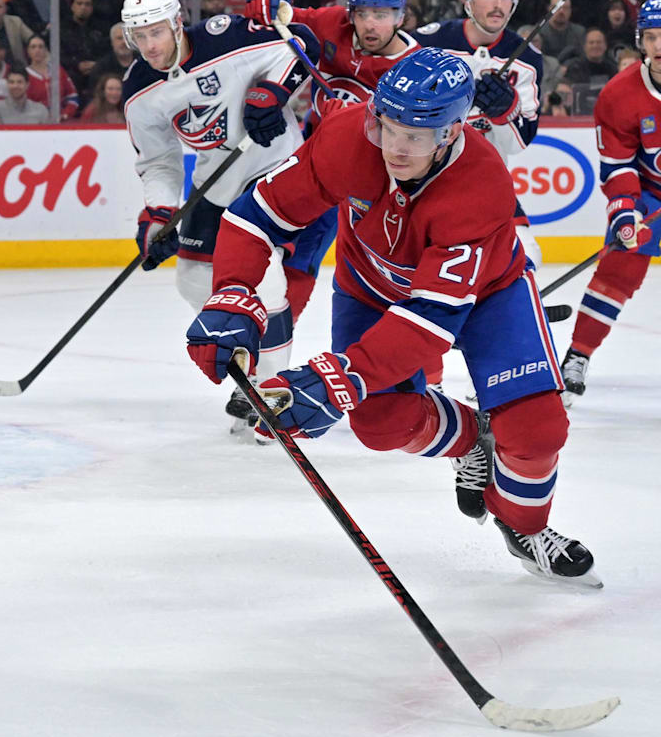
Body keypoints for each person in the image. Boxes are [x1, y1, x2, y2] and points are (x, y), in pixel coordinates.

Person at [185, 47, 599, 587]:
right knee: (381, 424)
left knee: (538, 430)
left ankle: (524, 525)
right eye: (388, 127)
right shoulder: (347, 138)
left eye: (416, 136)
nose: (395, 149)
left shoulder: (480, 186)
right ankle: (474, 439)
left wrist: (342, 377)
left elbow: (430, 321)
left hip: (488, 297)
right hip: (370, 291)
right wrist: (233, 291)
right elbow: (255, 216)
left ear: (451, 132)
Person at [122, 0, 326, 435]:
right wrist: (158, 215)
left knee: (265, 279)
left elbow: (302, 43)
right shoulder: (139, 89)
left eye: (157, 32)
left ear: (177, 22)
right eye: (139, 37)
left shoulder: (224, 36)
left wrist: (273, 92)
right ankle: (253, 364)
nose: (150, 45)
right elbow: (157, 160)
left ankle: (273, 395)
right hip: (215, 185)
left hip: (274, 170)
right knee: (194, 279)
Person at [243, 0, 419, 330]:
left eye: (382, 15)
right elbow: (275, 15)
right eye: (362, 13)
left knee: (382, 281)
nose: (370, 25)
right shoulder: (330, 25)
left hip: (370, 187)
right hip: (312, 164)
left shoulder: (413, 68)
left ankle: (419, 369)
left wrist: (357, 123)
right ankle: (267, 349)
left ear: (401, 16)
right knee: (273, 253)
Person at [558, 0, 661, 407]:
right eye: (651, 38)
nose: (659, 47)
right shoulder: (620, 94)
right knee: (616, 272)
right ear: (640, 42)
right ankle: (577, 356)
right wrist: (625, 211)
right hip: (650, 195)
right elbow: (618, 166)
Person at [413, 0, 545, 271]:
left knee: (527, 257)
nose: (498, 4)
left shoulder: (527, 59)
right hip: (426, 182)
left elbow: (517, 144)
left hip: (487, 182)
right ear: (467, 0)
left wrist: (505, 111)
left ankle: (516, 309)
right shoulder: (429, 43)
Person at [22, 34, 78, 118]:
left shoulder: (58, 70)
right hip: (36, 124)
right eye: (33, 47)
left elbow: (72, 96)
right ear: (28, 51)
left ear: (46, 50)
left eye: (41, 47)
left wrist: (66, 114)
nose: (37, 50)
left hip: (61, 122)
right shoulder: (24, 75)